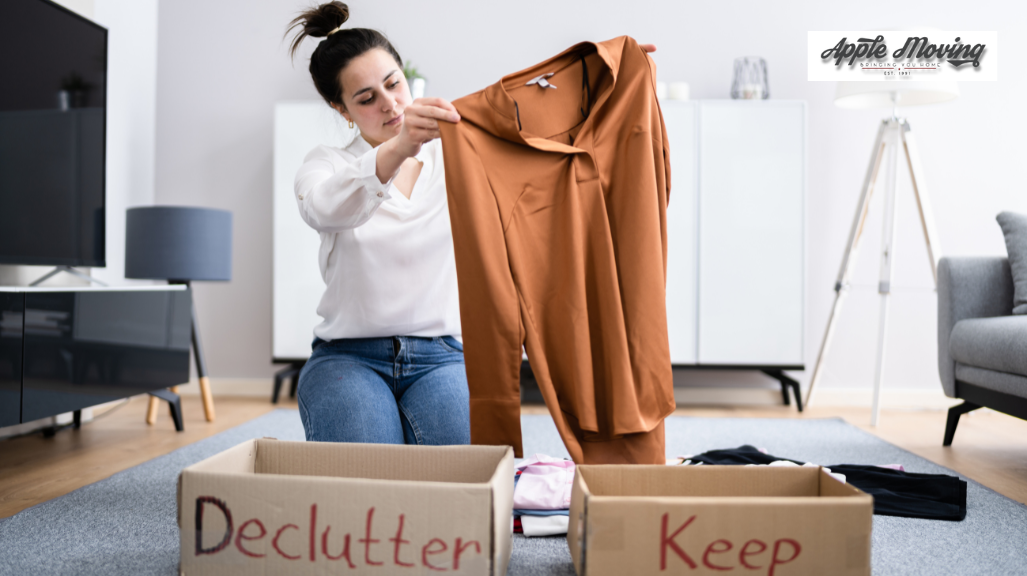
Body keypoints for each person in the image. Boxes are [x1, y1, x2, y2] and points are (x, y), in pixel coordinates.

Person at [286, 1, 656, 447]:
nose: (390, 105)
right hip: (347, 358)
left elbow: (535, 130)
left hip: (442, 357)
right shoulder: (326, 165)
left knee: (471, 480)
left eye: (393, 84)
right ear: (341, 109)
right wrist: (401, 146)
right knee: (365, 479)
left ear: (407, 77)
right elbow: (324, 207)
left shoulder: (456, 157)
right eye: (367, 99)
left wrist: (606, 78)